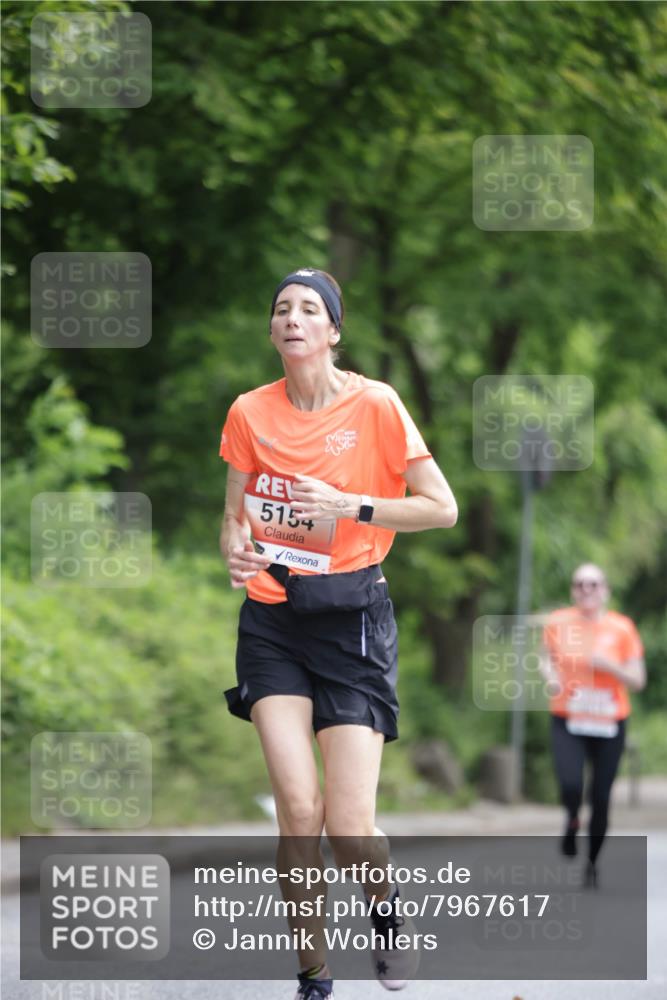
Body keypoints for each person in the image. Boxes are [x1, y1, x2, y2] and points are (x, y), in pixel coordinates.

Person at [219, 268, 457, 999]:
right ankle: (313, 976)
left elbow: (440, 507)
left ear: (332, 331)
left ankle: (384, 916)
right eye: (281, 308)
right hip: (273, 618)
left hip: (354, 622)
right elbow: (234, 515)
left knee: (350, 825)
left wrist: (351, 504)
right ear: (273, 332)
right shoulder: (248, 413)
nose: (292, 318)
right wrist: (234, 547)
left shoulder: (376, 403)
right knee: (297, 808)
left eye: (308, 308)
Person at [541, 563, 646, 887]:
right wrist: (551, 678)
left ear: (606, 591)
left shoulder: (622, 628)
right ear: (573, 590)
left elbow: (639, 680)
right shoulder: (558, 622)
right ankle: (572, 819)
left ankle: (593, 861)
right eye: (580, 584)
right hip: (568, 716)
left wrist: (611, 666)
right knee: (571, 784)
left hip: (609, 722)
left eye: (594, 584)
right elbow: (544, 658)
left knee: (601, 796)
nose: (587, 590)